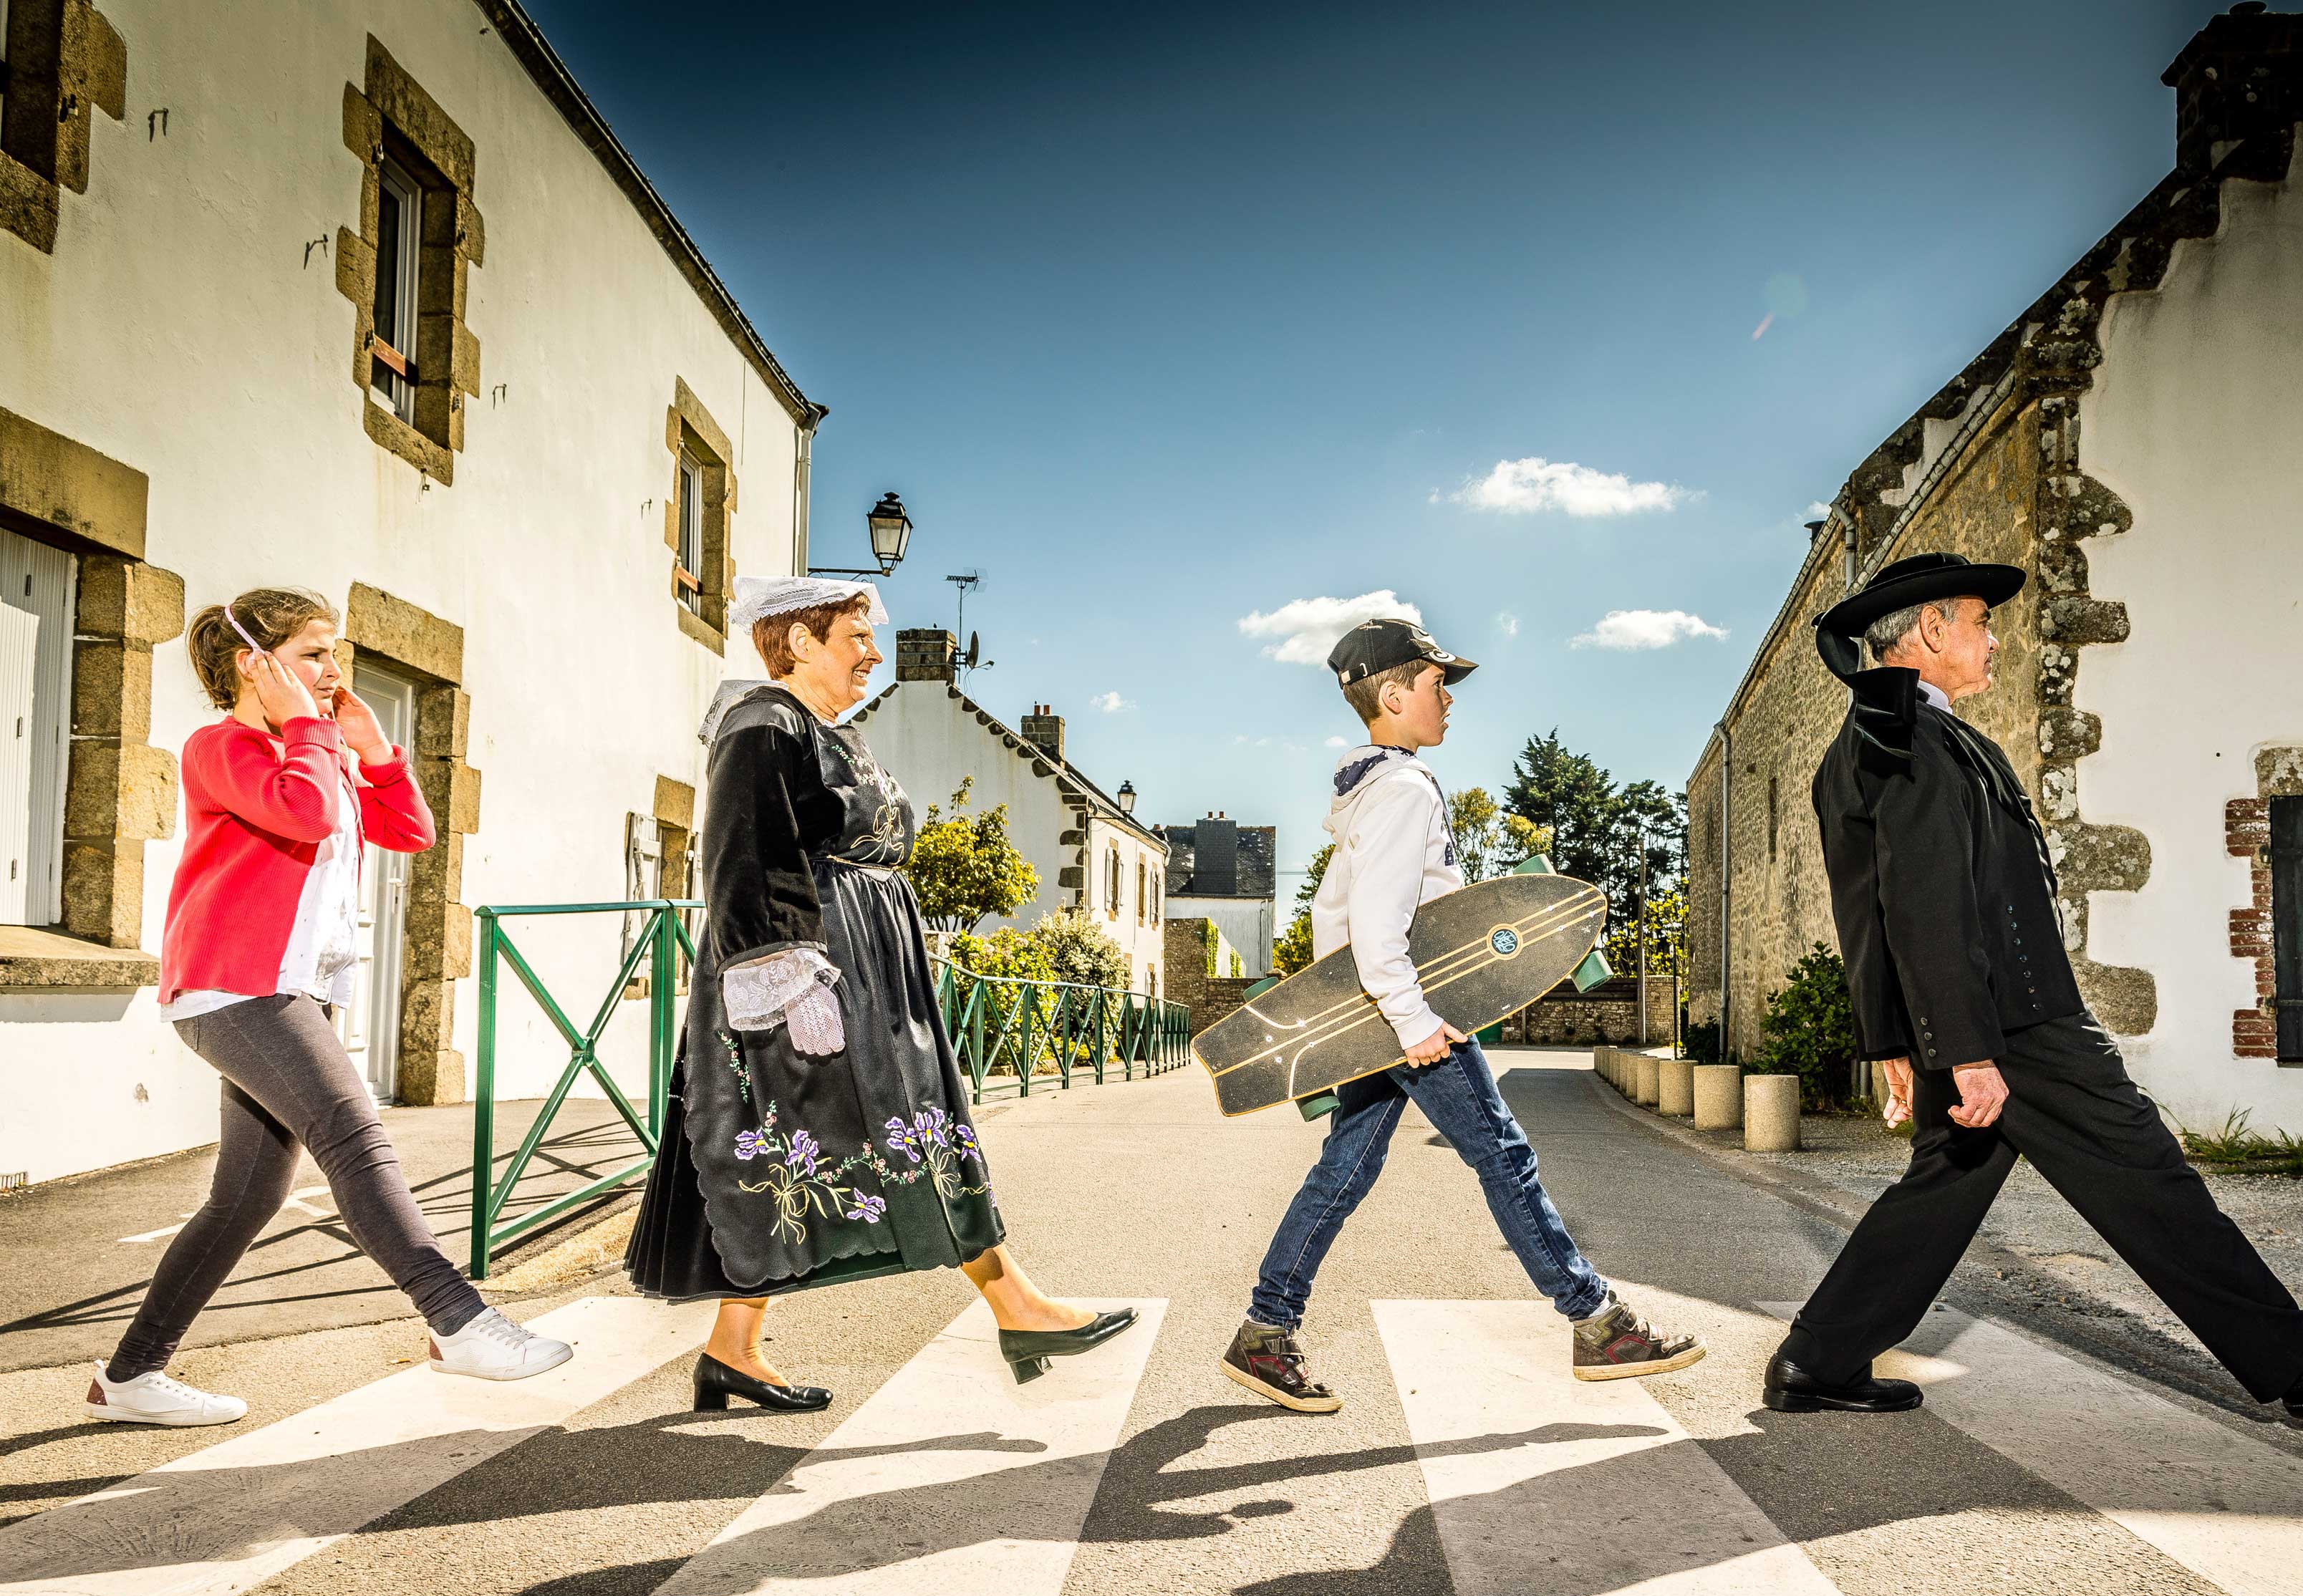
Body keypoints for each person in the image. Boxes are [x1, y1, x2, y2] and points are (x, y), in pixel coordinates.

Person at [1765, 551, 2303, 1418]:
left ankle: (1818, 1360)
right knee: (2147, 1173)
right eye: (1980, 621)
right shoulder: (1908, 739)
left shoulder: (1895, 734)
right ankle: (2301, 1359)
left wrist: (1898, 1037)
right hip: (2015, 1022)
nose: (1996, 639)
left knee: (1943, 1185)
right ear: (1931, 631)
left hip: (1983, 1019)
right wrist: (1961, 1049)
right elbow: (1921, 910)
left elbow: (1868, 910)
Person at [626, 576, 1132, 1411]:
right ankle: (1018, 1306)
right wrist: (789, 980)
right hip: (819, 973)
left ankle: (732, 1349)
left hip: (865, 967)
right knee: (906, 1130)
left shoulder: (817, 729)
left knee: (803, 1151)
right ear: (798, 642)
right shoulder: (763, 722)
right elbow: (741, 856)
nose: (872, 650)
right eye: (854, 634)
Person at [87, 589, 574, 1428]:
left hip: (287, 987)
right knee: (353, 1134)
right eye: (314, 654)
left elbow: (411, 830)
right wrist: (311, 729)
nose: (332, 670)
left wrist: (374, 748)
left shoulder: (317, 751)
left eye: (332, 652)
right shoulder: (220, 746)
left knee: (246, 1199)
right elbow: (303, 813)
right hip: (235, 985)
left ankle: (130, 1376)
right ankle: (458, 1320)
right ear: (256, 663)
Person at [1218, 617, 1702, 1413]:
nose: (1450, 700)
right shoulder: (1404, 790)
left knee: (1345, 1171)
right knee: (1504, 1156)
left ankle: (1266, 1332)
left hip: (1384, 1015)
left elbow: (1338, 920)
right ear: (1397, 692)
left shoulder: (1374, 787)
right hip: (1416, 1015)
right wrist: (1414, 1024)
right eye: (1440, 685)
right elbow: (1377, 933)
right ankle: (1598, 1322)